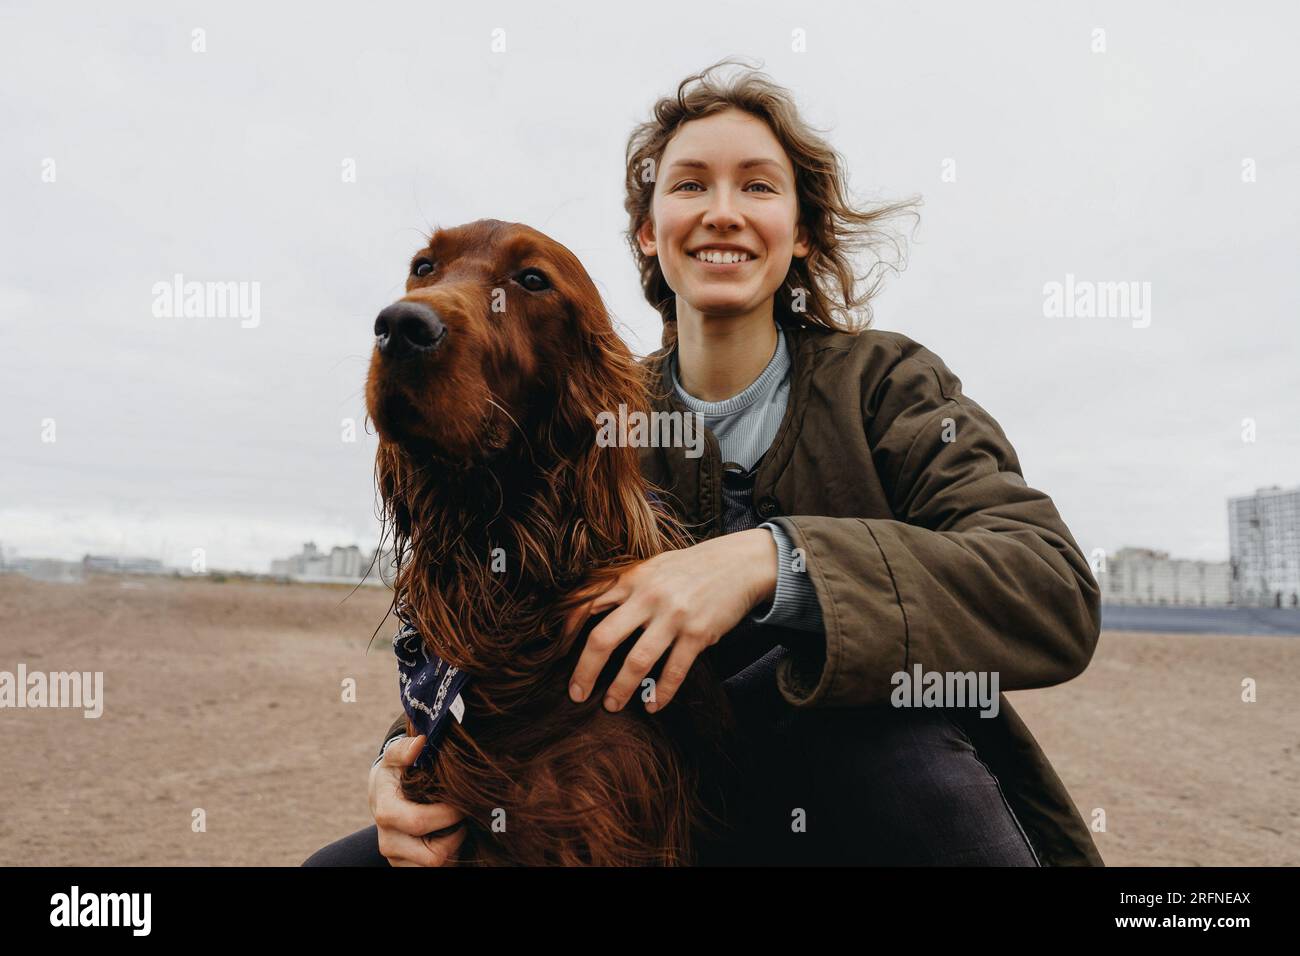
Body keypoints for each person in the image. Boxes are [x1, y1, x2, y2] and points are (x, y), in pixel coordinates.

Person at [304, 59, 1103, 867]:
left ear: (803, 232)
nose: (723, 212)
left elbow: (1052, 589)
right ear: (650, 233)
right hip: (650, 802)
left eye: (758, 187)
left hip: (863, 804)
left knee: (889, 729)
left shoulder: (889, 387)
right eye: (690, 185)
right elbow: (495, 636)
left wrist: (771, 561)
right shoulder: (589, 413)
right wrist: (397, 765)